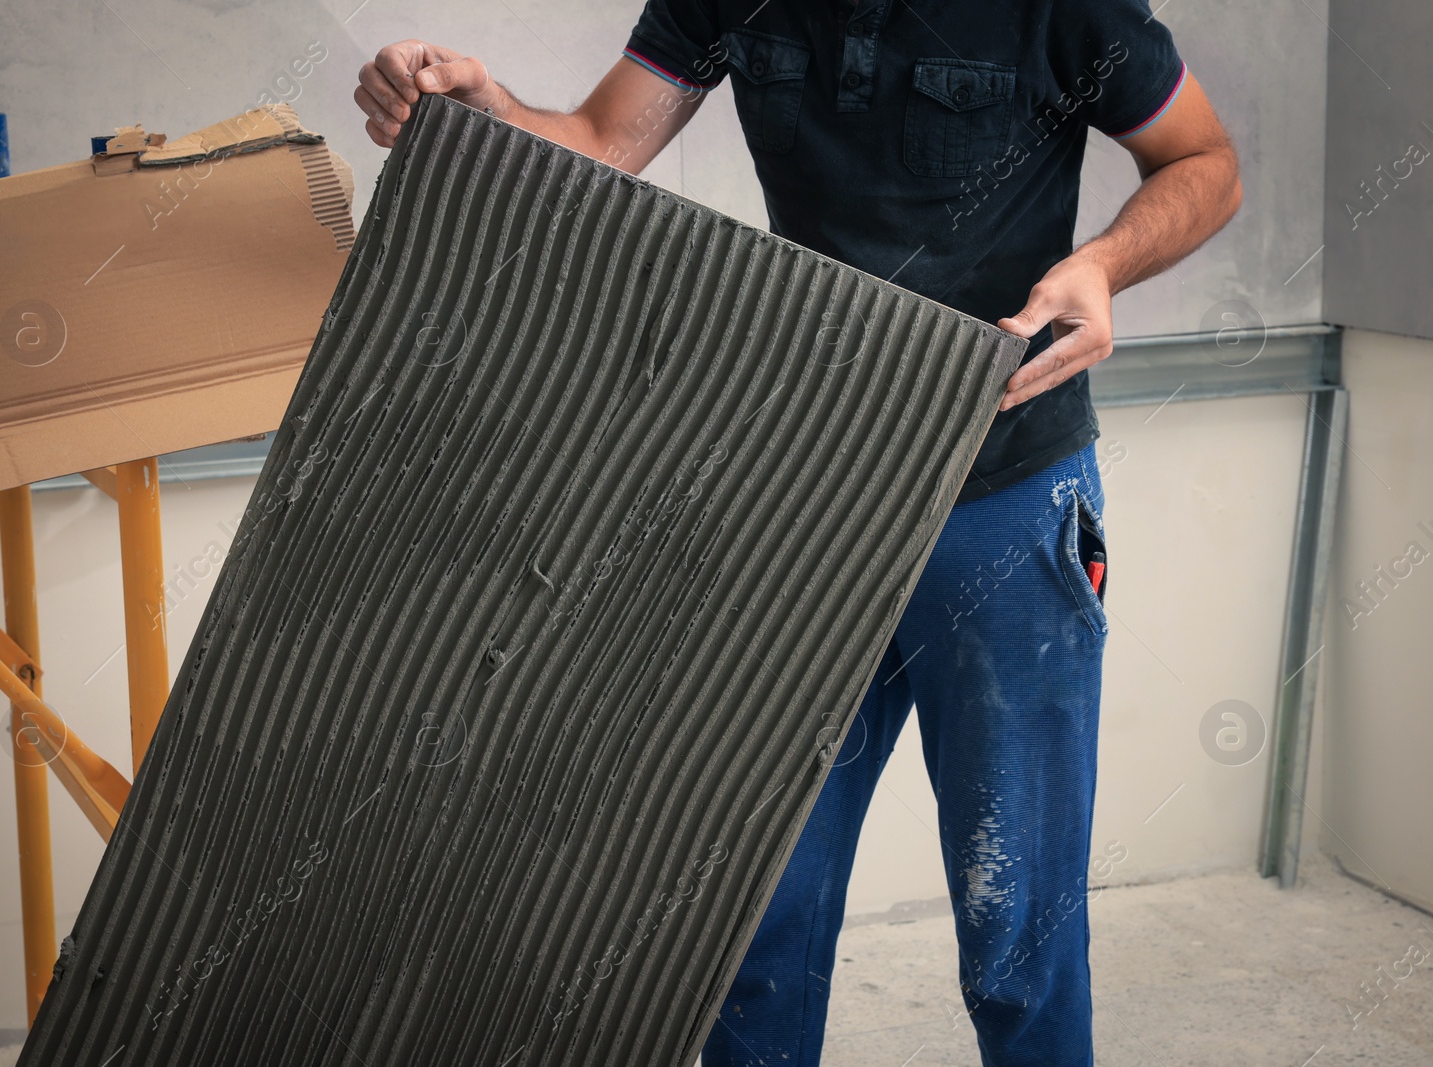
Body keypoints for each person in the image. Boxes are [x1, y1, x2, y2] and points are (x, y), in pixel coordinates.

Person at [357, 3, 1239, 1062]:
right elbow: (598, 145)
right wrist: (485, 109)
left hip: (1004, 505)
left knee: (1016, 931)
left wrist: (1101, 263)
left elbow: (1205, 160)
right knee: (748, 919)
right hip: (806, 509)